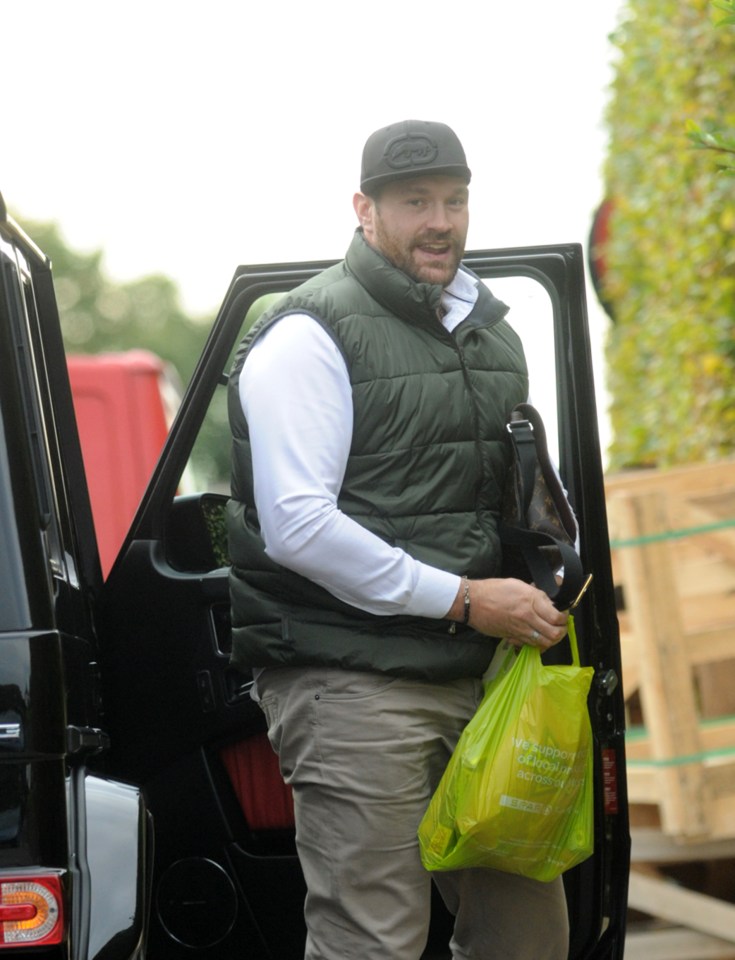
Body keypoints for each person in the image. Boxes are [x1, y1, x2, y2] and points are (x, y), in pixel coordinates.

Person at [227, 119, 571, 960]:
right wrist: (462, 598)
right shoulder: (308, 333)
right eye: (415, 202)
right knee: (373, 940)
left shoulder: (493, 336)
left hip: (479, 676)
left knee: (527, 938)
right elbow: (298, 528)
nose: (440, 222)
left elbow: (498, 502)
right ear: (364, 209)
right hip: (350, 681)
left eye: (454, 201)